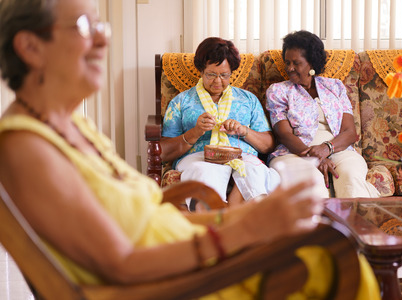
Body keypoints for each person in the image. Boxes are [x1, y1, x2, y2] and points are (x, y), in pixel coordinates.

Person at [0, 0, 380, 299]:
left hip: (187, 249)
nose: (103, 40)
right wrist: (244, 230)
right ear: (31, 47)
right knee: (332, 258)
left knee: (325, 244)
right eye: (84, 26)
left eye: (102, 26)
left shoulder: (69, 125)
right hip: (180, 280)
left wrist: (238, 222)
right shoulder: (27, 148)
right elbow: (124, 266)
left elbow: (145, 218)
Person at [161, 37, 280, 208]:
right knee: (206, 171)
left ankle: (230, 220)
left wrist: (244, 131)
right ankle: (213, 220)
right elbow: (164, 152)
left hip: (242, 156)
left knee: (253, 170)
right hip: (199, 157)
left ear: (232, 72)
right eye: (211, 75)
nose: (218, 81)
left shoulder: (248, 100)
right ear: (201, 71)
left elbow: (268, 145)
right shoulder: (182, 101)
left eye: (224, 75)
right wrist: (195, 132)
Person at [266, 30, 380, 198]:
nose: (289, 68)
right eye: (287, 62)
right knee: (311, 184)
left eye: (296, 63)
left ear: (311, 63)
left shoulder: (335, 87)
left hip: (339, 150)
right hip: (294, 153)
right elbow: (284, 135)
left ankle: (356, 224)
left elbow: (349, 133)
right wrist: (315, 157)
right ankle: (319, 225)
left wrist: (327, 148)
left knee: (350, 178)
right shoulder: (278, 91)